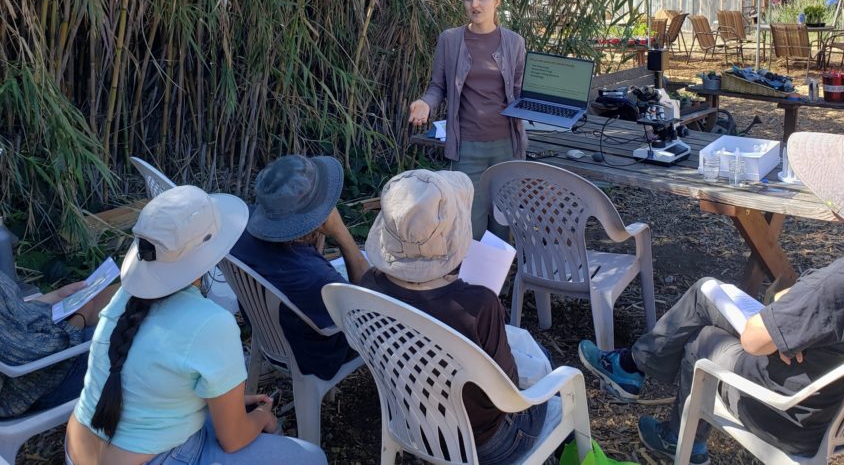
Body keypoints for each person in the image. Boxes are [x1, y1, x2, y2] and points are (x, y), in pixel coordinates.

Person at [577, 126, 844, 464]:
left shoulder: (842, 284)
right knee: (706, 292)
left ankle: (680, 440)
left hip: (789, 414)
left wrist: (782, 330)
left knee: (704, 340)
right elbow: (835, 315)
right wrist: (796, 328)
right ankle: (634, 365)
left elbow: (756, 342)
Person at [66, 185, 326, 465]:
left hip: (78, 450)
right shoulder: (212, 323)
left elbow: (150, 377)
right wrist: (263, 416)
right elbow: (233, 439)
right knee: (312, 458)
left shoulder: (125, 298)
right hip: (153, 459)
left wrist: (226, 404)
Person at [359, 169, 548, 464]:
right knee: (545, 369)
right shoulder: (479, 304)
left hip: (412, 427)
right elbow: (508, 391)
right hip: (487, 444)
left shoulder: (369, 286)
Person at [0, 146, 116, 419]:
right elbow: (24, 356)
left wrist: (54, 297)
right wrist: (79, 318)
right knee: (140, 333)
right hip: (28, 388)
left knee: (117, 295)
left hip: (28, 366)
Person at [407, 0, 527, 239]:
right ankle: (471, 280)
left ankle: (499, 280)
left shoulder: (515, 42)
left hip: (507, 145)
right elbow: (437, 86)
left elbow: (520, 93)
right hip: (467, 147)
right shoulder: (450, 40)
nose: (475, 4)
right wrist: (425, 103)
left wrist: (545, 104)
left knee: (502, 225)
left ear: (497, 1)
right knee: (469, 228)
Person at [229, 154, 368, 381]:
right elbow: (367, 308)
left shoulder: (240, 226)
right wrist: (341, 234)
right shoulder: (314, 277)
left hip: (269, 330)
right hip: (315, 353)